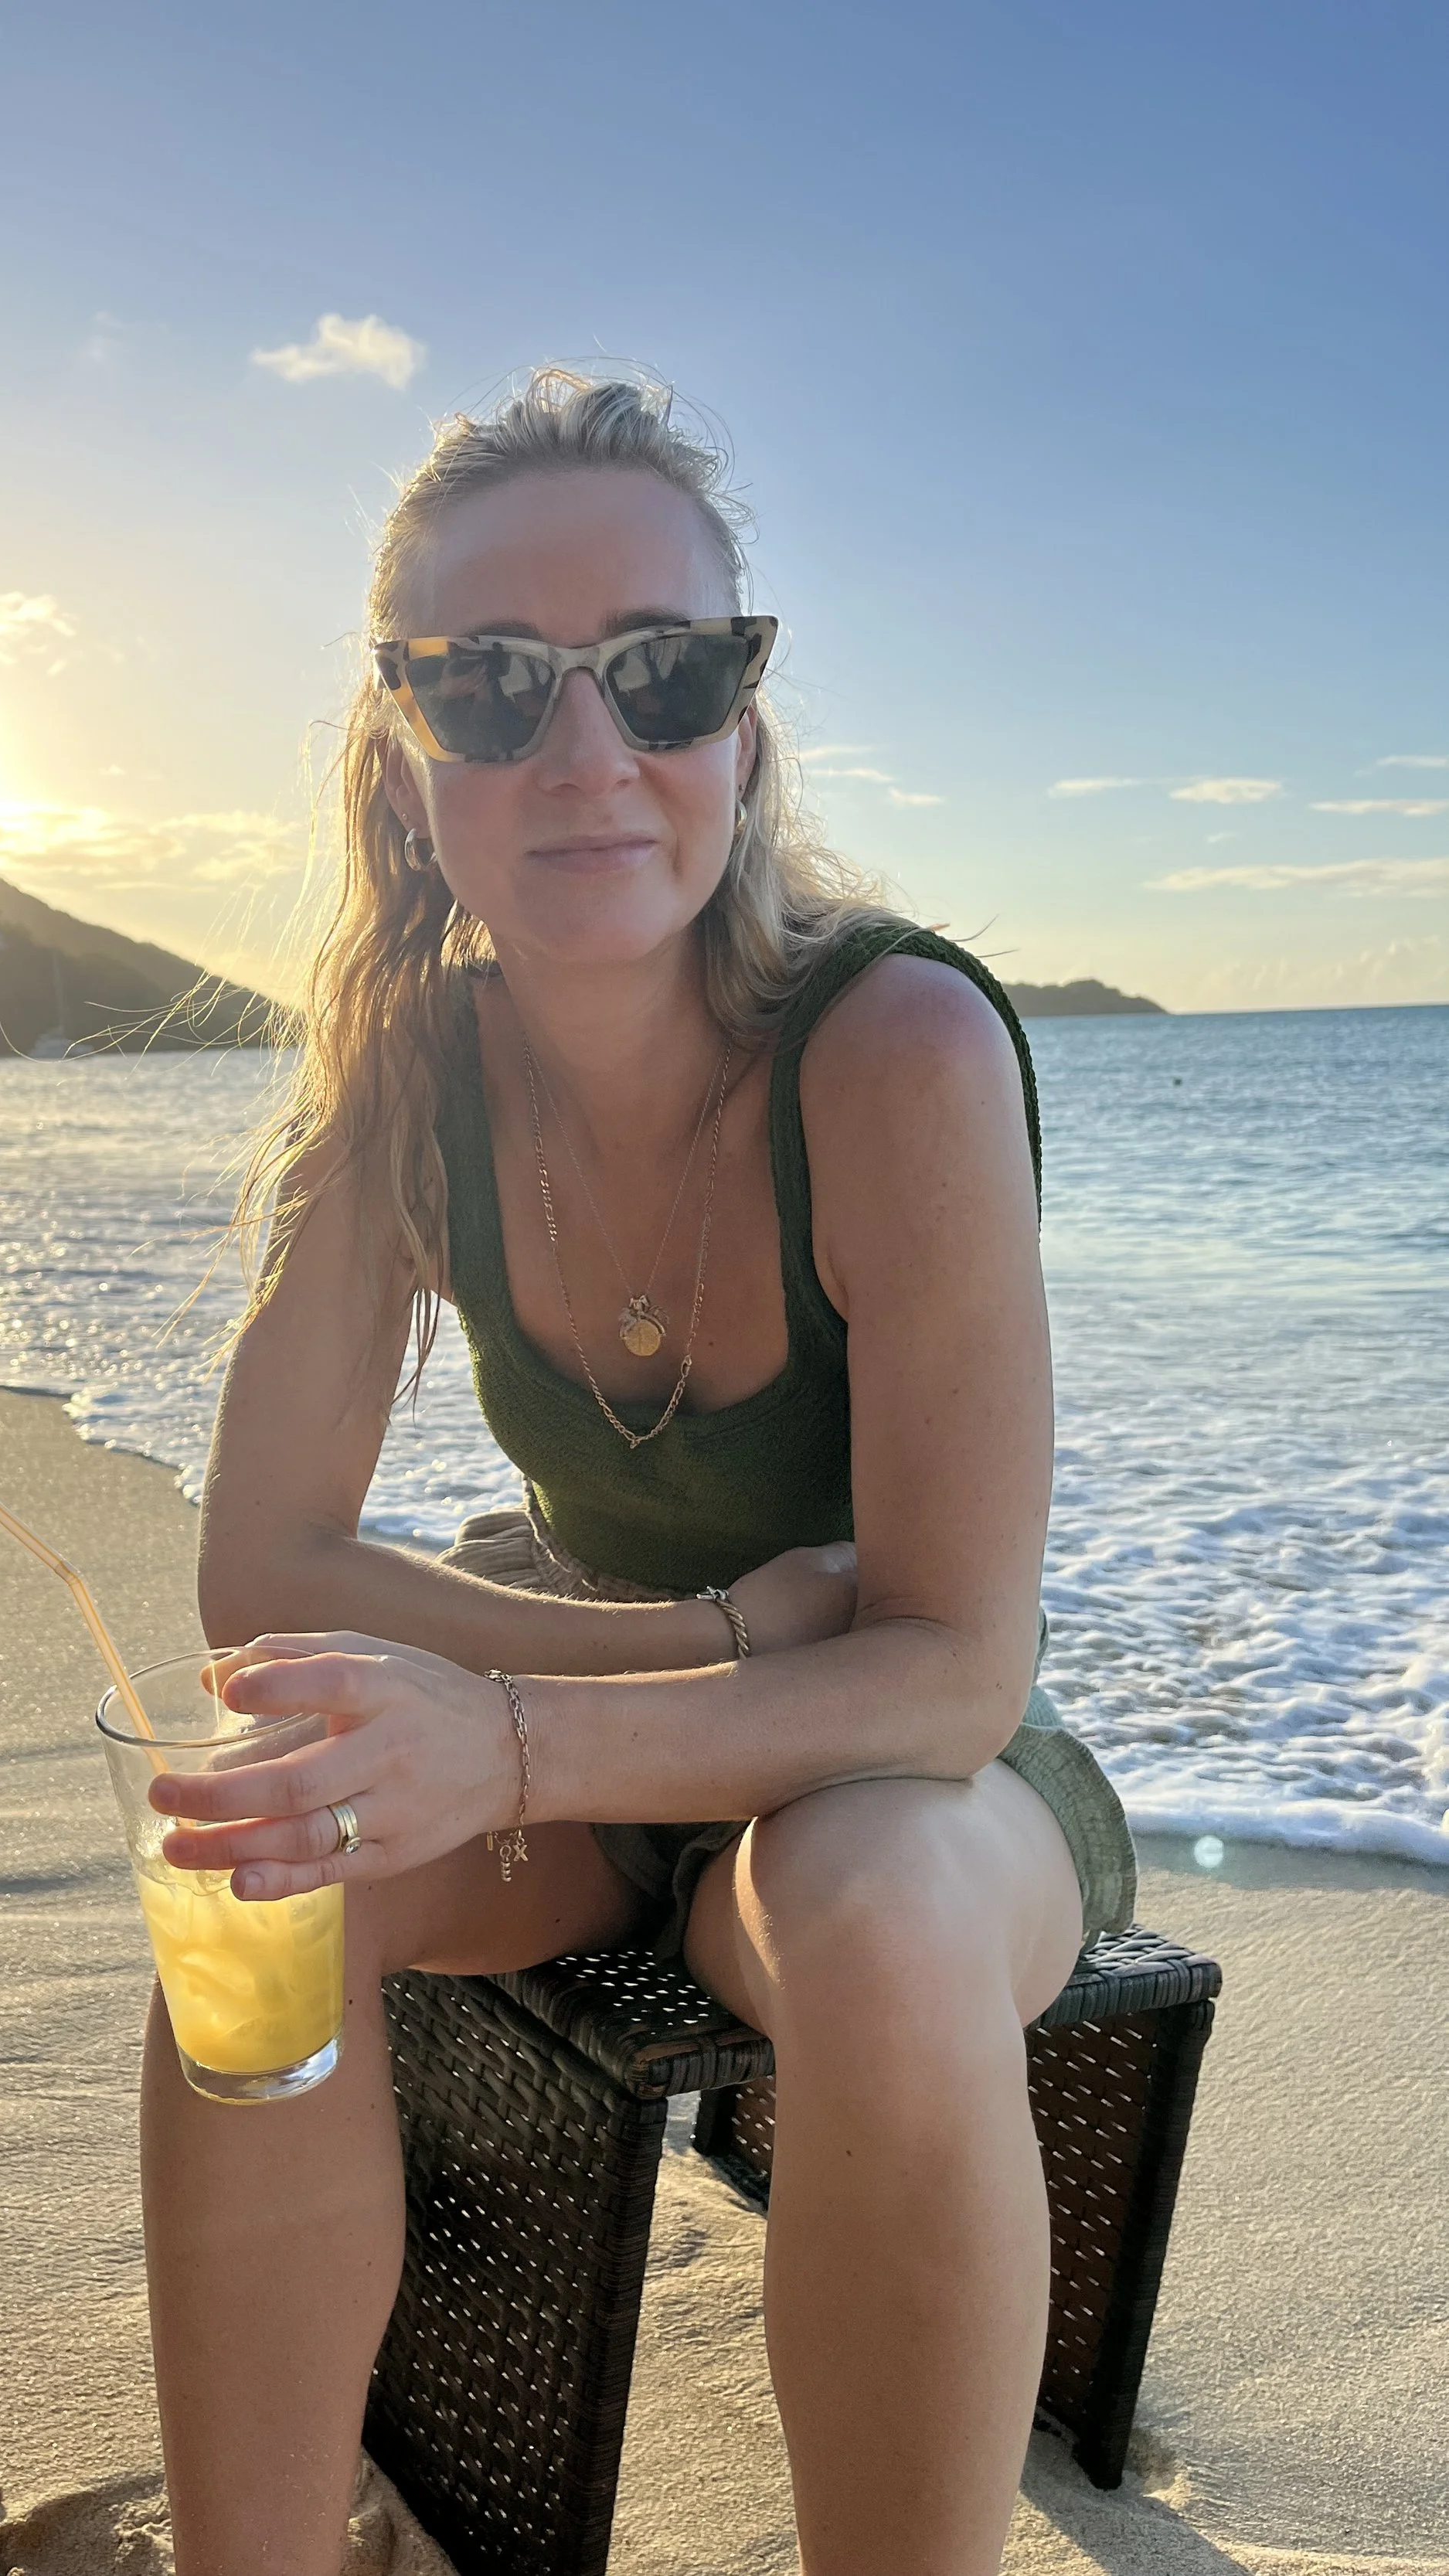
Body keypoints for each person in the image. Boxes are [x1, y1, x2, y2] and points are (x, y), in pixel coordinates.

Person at [141, 369, 1138, 2576]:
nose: (587, 751)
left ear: (742, 731)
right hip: (617, 1743)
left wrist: (511, 1731)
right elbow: (259, 1566)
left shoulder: (896, 1049)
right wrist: (667, 1645)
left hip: (915, 1780)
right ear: (404, 763)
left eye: (661, 671)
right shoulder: (407, 1081)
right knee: (256, 1868)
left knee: (879, 1914)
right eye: (491, 686)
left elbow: (946, 1671)